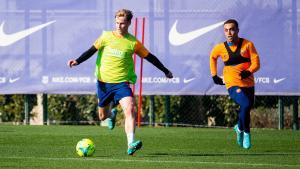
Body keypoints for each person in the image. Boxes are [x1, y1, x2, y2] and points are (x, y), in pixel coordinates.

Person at [67, 9, 173, 155]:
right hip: (103, 83)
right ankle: (112, 114)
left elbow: (150, 57)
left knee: (130, 109)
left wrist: (165, 70)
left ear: (129, 23)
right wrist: (77, 60)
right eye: (117, 23)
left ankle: (130, 144)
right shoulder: (106, 36)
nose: (119, 26)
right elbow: (91, 50)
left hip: (121, 83)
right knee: (102, 116)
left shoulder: (133, 43)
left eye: (122, 23)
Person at [209, 19, 260, 149]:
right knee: (246, 104)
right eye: (226, 30)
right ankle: (247, 133)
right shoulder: (220, 47)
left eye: (232, 29)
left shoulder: (248, 45)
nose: (229, 32)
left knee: (246, 108)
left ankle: (239, 127)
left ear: (237, 30)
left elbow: (256, 63)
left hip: (248, 83)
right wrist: (214, 75)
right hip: (232, 83)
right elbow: (213, 57)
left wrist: (248, 71)